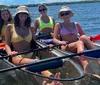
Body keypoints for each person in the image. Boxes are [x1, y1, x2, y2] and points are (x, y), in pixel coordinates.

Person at [5, 5, 63, 85]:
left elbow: (34, 43)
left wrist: (45, 47)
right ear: (17, 15)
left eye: (25, 13)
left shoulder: (31, 28)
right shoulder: (10, 27)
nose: (23, 15)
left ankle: (52, 81)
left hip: (31, 55)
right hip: (17, 56)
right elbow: (7, 44)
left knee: (39, 69)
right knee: (37, 64)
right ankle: (50, 79)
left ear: (27, 15)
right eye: (21, 13)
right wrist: (9, 53)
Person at [53, 6, 95, 71]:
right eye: (62, 14)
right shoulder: (58, 25)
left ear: (70, 14)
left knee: (83, 37)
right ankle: (85, 65)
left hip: (77, 44)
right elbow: (54, 39)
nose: (65, 15)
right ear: (61, 16)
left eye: (66, 13)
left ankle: (97, 58)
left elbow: (83, 35)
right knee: (80, 42)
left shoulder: (76, 24)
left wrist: (89, 38)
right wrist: (60, 42)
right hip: (66, 46)